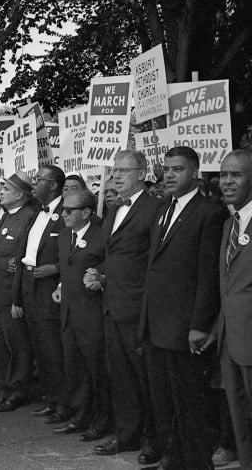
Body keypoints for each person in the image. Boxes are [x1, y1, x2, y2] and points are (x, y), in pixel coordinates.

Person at [139, 146, 223, 470]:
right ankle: (175, 461)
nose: (169, 175)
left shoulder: (208, 212)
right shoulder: (163, 209)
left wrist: (200, 324)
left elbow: (206, 274)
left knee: (192, 406)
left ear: (195, 172)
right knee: (166, 404)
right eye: (166, 169)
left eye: (178, 169)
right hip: (156, 326)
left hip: (185, 328)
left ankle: (199, 464)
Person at [85, 151, 161, 464]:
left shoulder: (156, 208)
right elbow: (115, 255)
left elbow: (155, 260)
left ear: (142, 173)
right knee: (122, 378)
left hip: (139, 308)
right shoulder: (114, 208)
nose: (116, 176)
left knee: (147, 379)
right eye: (114, 170)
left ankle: (155, 441)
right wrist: (100, 272)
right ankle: (127, 434)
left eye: (124, 170)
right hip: (111, 305)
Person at [51, 190, 110, 441]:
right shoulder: (64, 236)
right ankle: (80, 417)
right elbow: (67, 269)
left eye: (69, 210)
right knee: (74, 367)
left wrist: (100, 274)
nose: (63, 214)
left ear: (86, 212)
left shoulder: (102, 235)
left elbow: (111, 263)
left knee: (96, 368)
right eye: (63, 209)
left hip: (92, 314)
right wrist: (60, 287)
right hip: (69, 312)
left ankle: (103, 420)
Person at [12, 165, 69, 424]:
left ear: (54, 185)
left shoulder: (66, 212)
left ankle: (64, 403)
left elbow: (73, 254)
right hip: (29, 284)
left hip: (50, 287)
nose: (33, 184)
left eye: (39, 180)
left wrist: (55, 269)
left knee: (53, 349)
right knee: (40, 349)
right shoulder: (37, 213)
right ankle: (51, 398)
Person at [0, 172, 37, 411]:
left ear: (20, 194)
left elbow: (20, 259)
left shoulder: (28, 218)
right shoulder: (7, 217)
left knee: (16, 347)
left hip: (10, 296)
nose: (1, 192)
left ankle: (17, 390)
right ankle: (4, 387)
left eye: (6, 189)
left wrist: (17, 297)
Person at [218, 149, 252, 470]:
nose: (226, 181)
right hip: (230, 340)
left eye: (236, 174)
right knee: (239, 419)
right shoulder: (230, 222)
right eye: (223, 174)